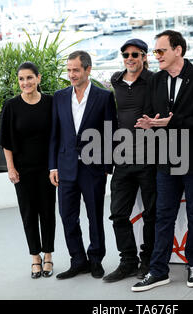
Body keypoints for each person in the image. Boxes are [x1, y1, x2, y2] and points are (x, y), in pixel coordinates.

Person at [132, 30, 193, 291]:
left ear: (178, 50)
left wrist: (173, 122)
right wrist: (150, 124)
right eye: (155, 51)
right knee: (163, 215)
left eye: (161, 51)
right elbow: (151, 113)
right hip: (166, 158)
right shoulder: (155, 81)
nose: (156, 56)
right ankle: (158, 270)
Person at [49, 50, 118, 280]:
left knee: (95, 216)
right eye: (68, 70)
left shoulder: (104, 96)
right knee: (67, 216)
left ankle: (96, 259)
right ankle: (77, 260)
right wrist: (52, 166)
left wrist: (107, 167)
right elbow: (54, 135)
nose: (71, 74)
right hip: (65, 167)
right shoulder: (59, 97)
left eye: (76, 70)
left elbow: (110, 133)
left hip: (93, 168)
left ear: (88, 69)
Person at [103, 39, 156, 283]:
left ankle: (147, 261)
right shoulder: (116, 80)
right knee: (117, 214)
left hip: (149, 159)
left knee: (151, 213)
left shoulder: (155, 80)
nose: (130, 58)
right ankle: (127, 261)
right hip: (123, 159)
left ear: (144, 56)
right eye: (126, 54)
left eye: (135, 54)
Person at [0, 61, 56, 279]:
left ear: (38, 78)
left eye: (30, 78)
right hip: (22, 170)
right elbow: (5, 141)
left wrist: (55, 166)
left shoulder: (50, 103)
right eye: (22, 79)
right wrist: (10, 168)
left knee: (47, 212)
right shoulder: (11, 106)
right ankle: (35, 257)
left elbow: (56, 136)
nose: (26, 82)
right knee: (28, 214)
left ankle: (48, 255)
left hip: (47, 169)